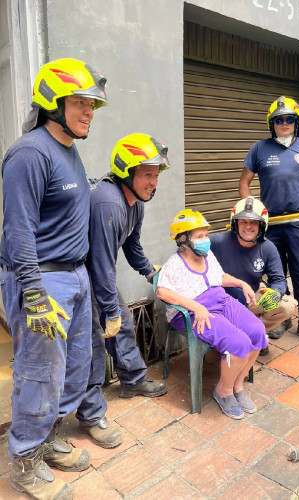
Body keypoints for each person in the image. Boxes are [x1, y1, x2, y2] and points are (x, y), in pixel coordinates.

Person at [0, 57, 107, 500]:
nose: (88, 112)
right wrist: (34, 294)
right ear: (52, 103)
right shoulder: (30, 152)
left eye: (92, 104)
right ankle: (23, 461)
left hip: (74, 276)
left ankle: (45, 439)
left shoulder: (68, 148)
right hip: (42, 281)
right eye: (79, 102)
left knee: (74, 369)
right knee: (39, 374)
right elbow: (18, 229)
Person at [75, 133, 171, 449]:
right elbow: (101, 261)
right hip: (79, 274)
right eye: (146, 174)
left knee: (123, 326)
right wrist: (109, 308)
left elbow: (130, 244)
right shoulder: (107, 202)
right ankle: (90, 414)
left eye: (156, 175)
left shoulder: (134, 203)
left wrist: (148, 270)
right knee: (90, 341)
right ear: (126, 171)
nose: (153, 182)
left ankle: (131, 380)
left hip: (97, 273)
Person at [155, 209, 267, 419]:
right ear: (182, 239)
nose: (206, 240)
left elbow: (220, 277)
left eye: (206, 235)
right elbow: (161, 291)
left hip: (220, 300)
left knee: (257, 331)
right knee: (239, 343)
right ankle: (223, 391)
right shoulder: (174, 264)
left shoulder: (207, 255)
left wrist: (241, 283)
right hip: (195, 311)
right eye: (199, 237)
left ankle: (237, 385)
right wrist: (195, 306)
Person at [239, 96, 299, 349]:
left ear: (297, 123)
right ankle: (282, 318)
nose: (284, 123)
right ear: (272, 124)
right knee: (275, 273)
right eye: (279, 120)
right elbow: (244, 183)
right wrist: (253, 211)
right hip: (271, 224)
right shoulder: (259, 148)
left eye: (289, 119)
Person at [210, 196, 297, 357]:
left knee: (287, 306)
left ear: (261, 225)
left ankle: (253, 334)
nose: (248, 226)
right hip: (222, 301)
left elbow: (278, 279)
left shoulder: (268, 248)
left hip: (252, 298)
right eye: (243, 221)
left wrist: (276, 293)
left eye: (253, 222)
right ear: (235, 223)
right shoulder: (217, 241)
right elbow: (193, 253)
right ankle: (250, 334)